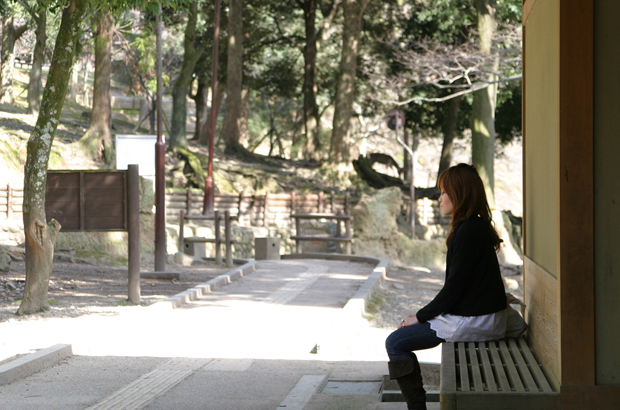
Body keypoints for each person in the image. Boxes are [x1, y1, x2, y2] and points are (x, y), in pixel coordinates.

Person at [385, 163, 508, 410]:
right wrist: (424, 316)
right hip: (480, 314)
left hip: (479, 319)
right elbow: (457, 288)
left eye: (444, 192)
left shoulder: (468, 232)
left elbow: (453, 290)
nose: (439, 198)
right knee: (400, 338)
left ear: (460, 194)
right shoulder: (473, 226)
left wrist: (420, 316)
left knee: (395, 342)